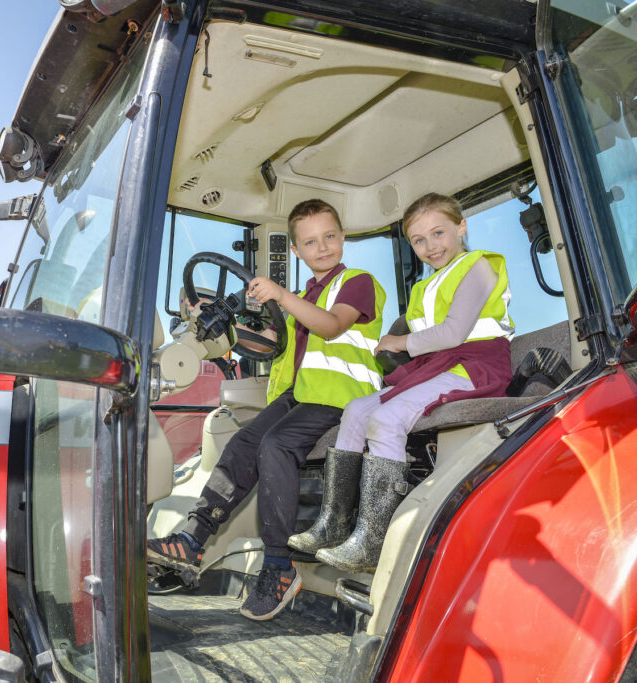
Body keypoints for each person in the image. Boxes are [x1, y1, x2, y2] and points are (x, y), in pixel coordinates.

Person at [147, 198, 386, 621]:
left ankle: (278, 566)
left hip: (343, 398)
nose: (323, 247)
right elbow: (273, 343)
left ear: (343, 237)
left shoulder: (357, 282)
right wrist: (216, 319)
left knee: (276, 446)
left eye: (330, 236)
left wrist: (280, 294)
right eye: (311, 242)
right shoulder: (305, 296)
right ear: (296, 251)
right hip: (299, 396)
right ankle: (193, 536)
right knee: (242, 443)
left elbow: (331, 326)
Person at [290, 192, 514, 572]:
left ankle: (375, 541)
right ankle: (335, 521)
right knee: (358, 409)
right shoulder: (424, 287)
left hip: (475, 365)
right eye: (419, 240)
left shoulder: (478, 267)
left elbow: (454, 332)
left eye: (439, 233)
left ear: (461, 227)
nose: (431, 246)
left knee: (386, 419)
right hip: (437, 365)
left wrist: (398, 342)